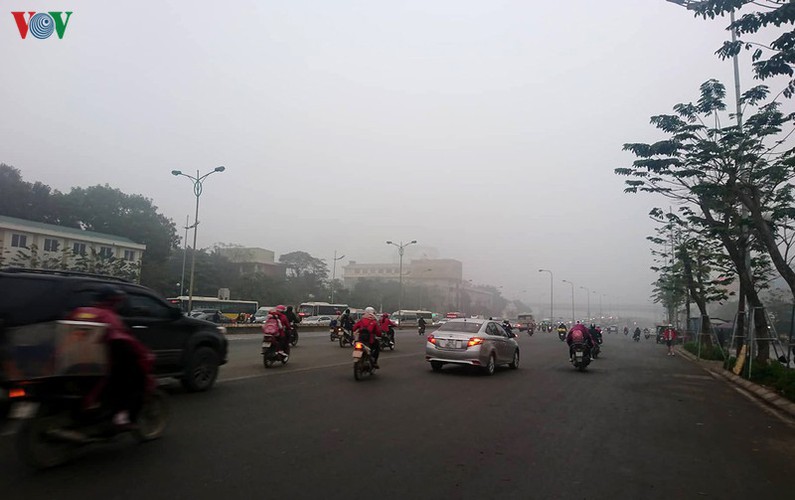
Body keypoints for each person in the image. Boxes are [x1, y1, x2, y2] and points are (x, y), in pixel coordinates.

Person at [69, 285, 154, 429]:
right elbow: (125, 339)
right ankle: (122, 418)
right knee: (133, 381)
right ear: (113, 301)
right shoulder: (108, 316)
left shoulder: (80, 312)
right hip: (103, 361)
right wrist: (144, 353)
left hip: (74, 360)